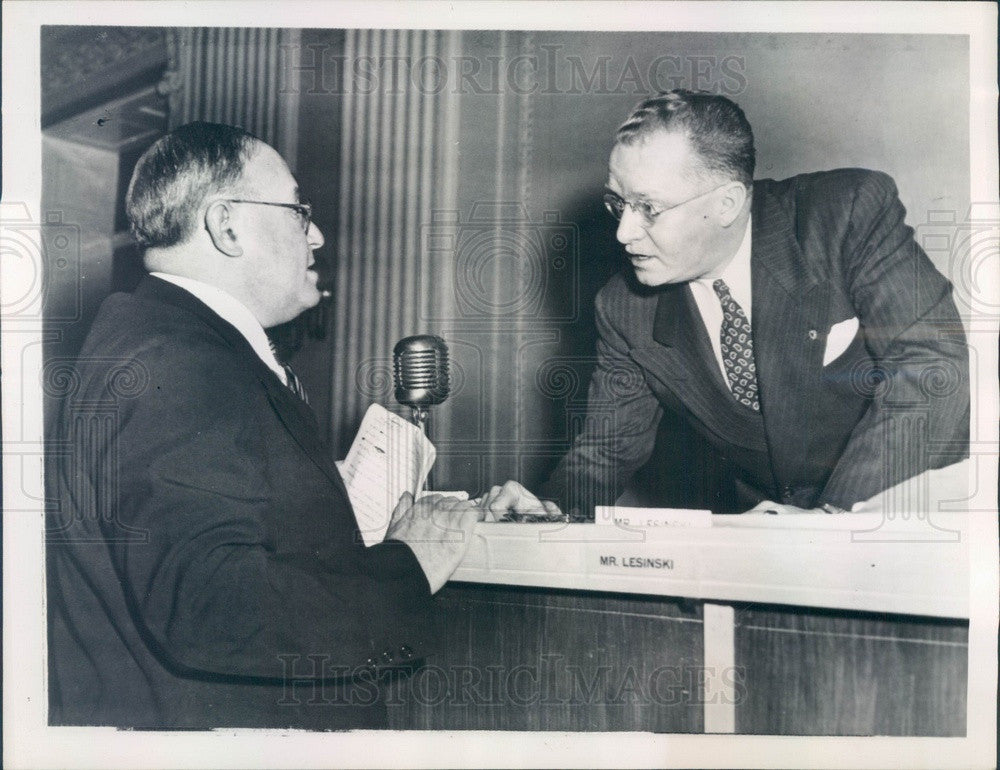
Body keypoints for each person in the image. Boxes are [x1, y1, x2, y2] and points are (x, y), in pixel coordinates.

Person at [45, 122, 537, 730]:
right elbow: (211, 604)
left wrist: (441, 518)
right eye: (299, 213)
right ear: (227, 226)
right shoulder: (179, 360)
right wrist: (410, 564)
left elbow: (245, 526)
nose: (318, 234)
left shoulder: (163, 340)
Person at [529, 89, 969, 517]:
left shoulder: (845, 216)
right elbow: (606, 450)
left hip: (913, 510)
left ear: (727, 204)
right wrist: (546, 507)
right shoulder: (624, 306)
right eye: (618, 203)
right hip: (766, 539)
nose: (624, 232)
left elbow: (931, 366)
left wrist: (835, 517)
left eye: (647, 207)